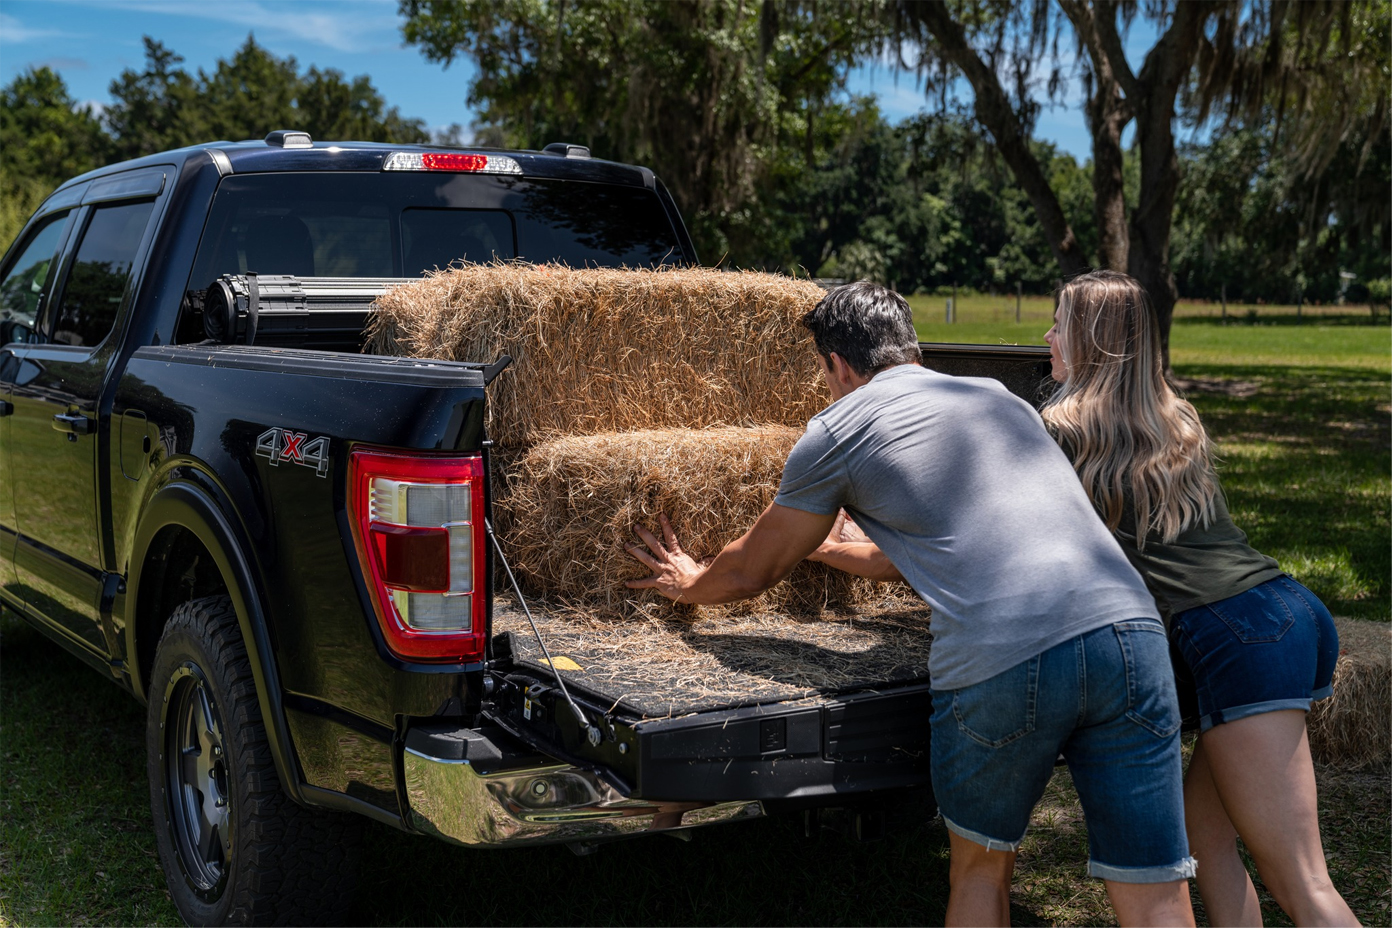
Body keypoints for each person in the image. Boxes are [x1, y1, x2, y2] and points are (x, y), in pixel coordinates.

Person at [625, 281, 1196, 927]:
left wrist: (691, 582)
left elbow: (753, 570)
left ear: (837, 363)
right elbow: (948, 547)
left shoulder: (839, 427)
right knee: (1154, 886)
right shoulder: (998, 401)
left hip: (1006, 653)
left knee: (982, 872)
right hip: (1131, 631)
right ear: (910, 346)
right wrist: (831, 551)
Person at [1040, 269, 1358, 927]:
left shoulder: (1062, 426)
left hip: (1239, 638)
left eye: (1059, 325)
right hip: (1286, 612)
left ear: (1089, 341)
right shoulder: (1174, 415)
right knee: (1202, 834)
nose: (1047, 337)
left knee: (1301, 880)